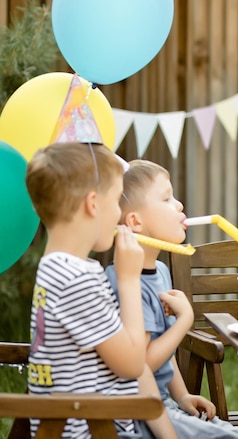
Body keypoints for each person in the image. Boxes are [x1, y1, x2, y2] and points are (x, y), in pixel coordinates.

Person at [105, 159, 238, 439]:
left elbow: (162, 349)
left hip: (164, 404)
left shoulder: (159, 270)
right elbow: (142, 363)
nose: (179, 204)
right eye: (166, 198)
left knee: (234, 433)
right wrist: (184, 321)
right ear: (135, 221)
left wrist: (182, 395)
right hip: (138, 415)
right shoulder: (125, 282)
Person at [25, 142, 154, 438]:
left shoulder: (52, 267)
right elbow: (133, 364)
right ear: (93, 203)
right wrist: (129, 278)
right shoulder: (78, 279)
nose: (119, 214)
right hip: (94, 430)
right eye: (116, 201)